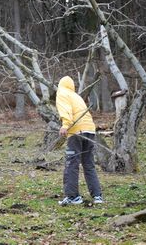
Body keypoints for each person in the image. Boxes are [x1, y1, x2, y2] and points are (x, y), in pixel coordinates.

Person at [56, 76, 103, 205]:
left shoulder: (62, 93)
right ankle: (97, 196)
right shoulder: (76, 96)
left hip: (76, 132)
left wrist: (65, 125)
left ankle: (72, 197)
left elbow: (66, 110)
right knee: (88, 164)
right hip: (90, 130)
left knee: (72, 164)